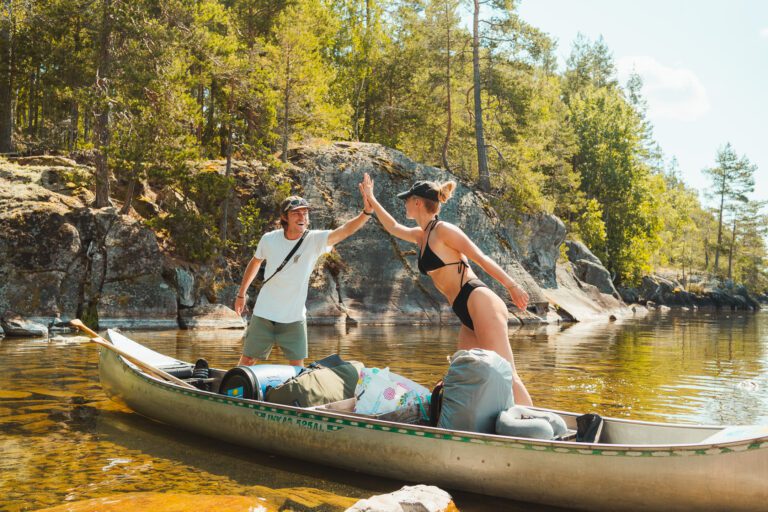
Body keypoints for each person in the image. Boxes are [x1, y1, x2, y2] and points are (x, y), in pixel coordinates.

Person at [360, 173, 533, 406]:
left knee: (507, 373)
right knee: (462, 375)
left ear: (418, 202)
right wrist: (371, 198)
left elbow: (480, 257)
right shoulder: (422, 236)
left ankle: (534, 426)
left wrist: (512, 285)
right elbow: (392, 226)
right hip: (464, 311)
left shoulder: (443, 230)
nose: (404, 204)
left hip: (477, 299)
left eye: (407, 199)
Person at [234, 191, 373, 367]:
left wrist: (366, 212)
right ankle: (231, 392)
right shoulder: (269, 240)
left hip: (294, 317)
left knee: (297, 367)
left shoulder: (314, 240)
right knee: (247, 360)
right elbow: (255, 263)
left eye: (305, 212)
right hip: (264, 315)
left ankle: (295, 394)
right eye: (296, 213)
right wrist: (241, 295)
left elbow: (344, 231)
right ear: (285, 217)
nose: (302, 216)